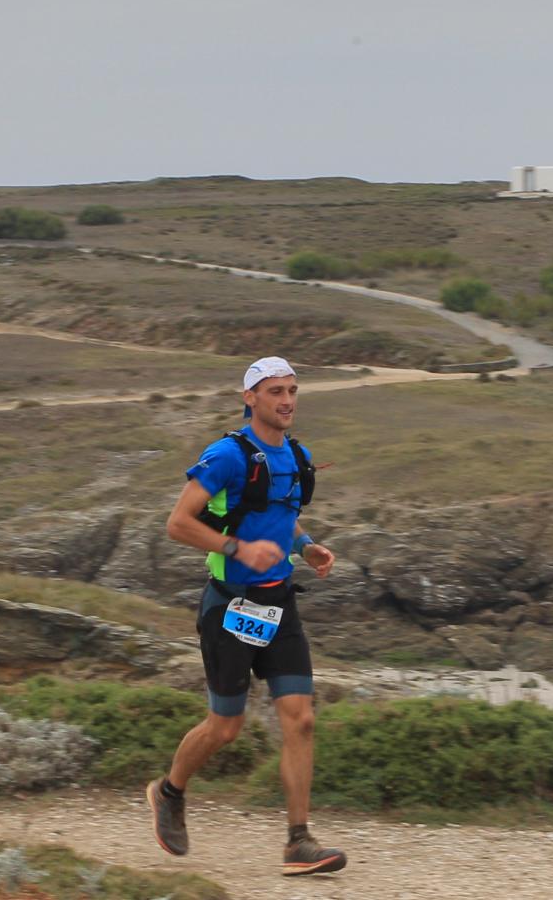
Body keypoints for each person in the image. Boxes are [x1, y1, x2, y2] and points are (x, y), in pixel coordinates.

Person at [147, 356, 346, 877]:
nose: (286, 400)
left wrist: (305, 547)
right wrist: (236, 547)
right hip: (230, 607)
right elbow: (177, 523)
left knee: (300, 719)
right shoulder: (228, 455)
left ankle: (298, 842)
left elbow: (281, 515)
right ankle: (169, 793)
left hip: (280, 603)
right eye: (275, 391)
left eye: (293, 390)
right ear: (250, 397)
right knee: (226, 727)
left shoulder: (297, 455)